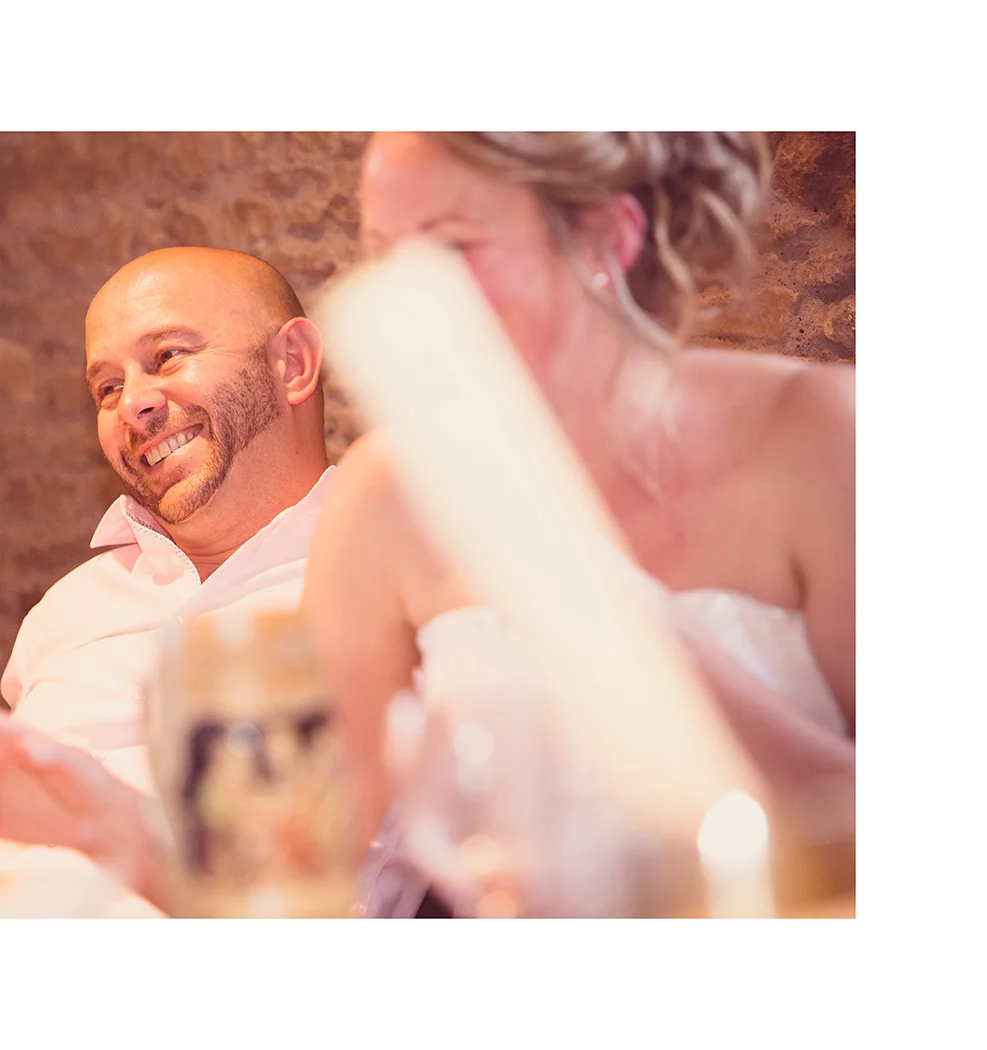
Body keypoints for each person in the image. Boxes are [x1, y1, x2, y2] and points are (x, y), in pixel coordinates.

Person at [302, 132, 856, 916]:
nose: (409, 304)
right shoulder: (385, 491)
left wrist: (641, 638)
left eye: (453, 247)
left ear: (606, 238)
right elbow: (318, 862)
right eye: (383, 256)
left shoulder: (820, 434)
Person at [0, 246, 334, 907]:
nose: (133, 405)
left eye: (168, 356)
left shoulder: (391, 579)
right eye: (107, 388)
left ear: (292, 364)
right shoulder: (66, 612)